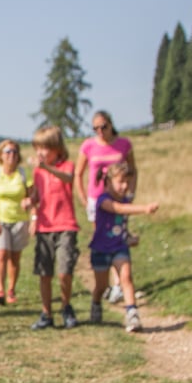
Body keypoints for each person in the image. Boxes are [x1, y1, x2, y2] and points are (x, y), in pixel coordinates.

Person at [75, 110, 139, 304]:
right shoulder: (88, 146)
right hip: (97, 198)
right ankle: (107, 282)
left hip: (119, 196)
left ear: (111, 125)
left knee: (117, 234)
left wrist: (130, 193)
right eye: (96, 128)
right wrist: (84, 199)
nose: (100, 131)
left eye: (104, 127)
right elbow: (79, 173)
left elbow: (133, 170)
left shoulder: (123, 145)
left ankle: (118, 282)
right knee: (103, 236)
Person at [87, 163, 158, 332]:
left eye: (127, 182)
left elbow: (120, 225)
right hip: (101, 249)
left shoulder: (125, 200)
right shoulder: (102, 200)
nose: (124, 186)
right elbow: (119, 210)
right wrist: (145, 208)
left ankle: (132, 313)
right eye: (120, 182)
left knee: (126, 278)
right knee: (101, 286)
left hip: (119, 247)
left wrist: (129, 237)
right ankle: (96, 302)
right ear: (108, 182)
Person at [28, 125, 79, 330]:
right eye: (37, 148)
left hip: (65, 224)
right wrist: (30, 206)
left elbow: (68, 179)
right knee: (44, 273)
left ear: (57, 148)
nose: (40, 153)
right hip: (44, 226)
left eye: (45, 148)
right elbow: (37, 197)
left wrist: (46, 168)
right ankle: (46, 312)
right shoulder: (37, 173)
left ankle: (66, 306)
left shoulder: (67, 165)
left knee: (64, 270)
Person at [0, 139, 34, 306]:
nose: (11, 155)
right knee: (1, 254)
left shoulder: (23, 174)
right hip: (0, 219)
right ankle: (0, 290)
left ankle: (11, 290)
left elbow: (32, 195)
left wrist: (30, 206)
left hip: (19, 219)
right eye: (7, 152)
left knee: (14, 258)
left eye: (14, 152)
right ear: (1, 155)